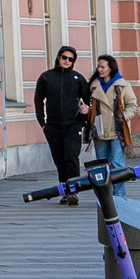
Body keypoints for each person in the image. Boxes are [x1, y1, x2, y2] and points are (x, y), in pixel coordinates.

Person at [34, 46, 93, 206]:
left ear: (74, 62)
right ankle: (65, 191)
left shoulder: (78, 79)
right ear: (58, 57)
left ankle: (73, 190)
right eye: (64, 57)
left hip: (72, 126)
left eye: (70, 59)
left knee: (71, 157)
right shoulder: (46, 77)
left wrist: (82, 120)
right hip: (52, 127)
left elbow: (88, 101)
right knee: (59, 159)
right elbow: (38, 100)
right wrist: (43, 123)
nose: (67, 61)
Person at [91, 54, 140, 178]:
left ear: (111, 68)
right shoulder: (93, 86)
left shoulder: (123, 85)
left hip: (118, 131)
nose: (99, 70)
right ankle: (105, 197)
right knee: (102, 167)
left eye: (103, 67)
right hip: (100, 132)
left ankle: (118, 196)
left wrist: (123, 117)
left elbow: (132, 105)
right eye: (98, 67)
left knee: (117, 166)